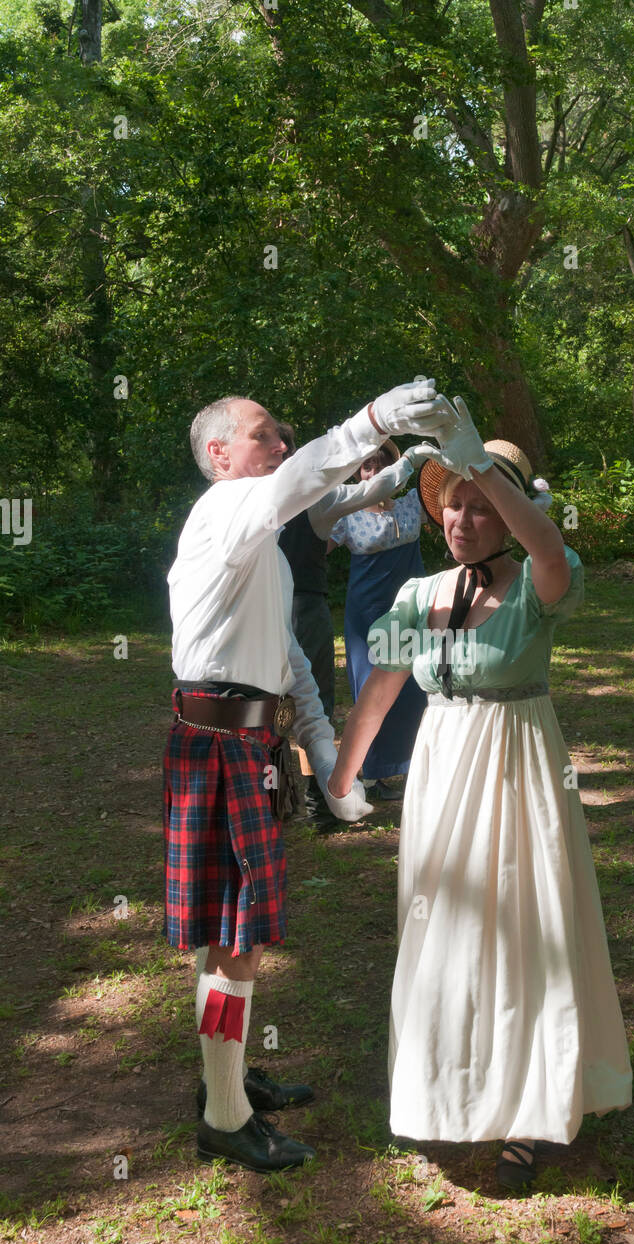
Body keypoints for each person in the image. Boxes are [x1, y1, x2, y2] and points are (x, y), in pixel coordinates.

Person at [328, 398, 632, 1191]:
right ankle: (446, 1094)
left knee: (525, 928)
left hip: (520, 767)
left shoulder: (540, 583)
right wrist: (340, 775)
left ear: (507, 510)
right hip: (442, 772)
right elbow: (381, 691)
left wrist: (484, 465)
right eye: (451, 501)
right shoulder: (416, 595)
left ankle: (529, 1113)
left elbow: (547, 542)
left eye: (479, 502)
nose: (462, 516)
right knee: (445, 935)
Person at [164, 381, 450, 1174]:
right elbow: (303, 480)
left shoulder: (263, 549)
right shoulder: (226, 510)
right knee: (237, 939)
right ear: (220, 455)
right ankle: (224, 1115)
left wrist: (326, 757)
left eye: (281, 435)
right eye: (264, 435)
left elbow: (290, 660)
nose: (279, 446)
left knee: (226, 935)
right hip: (219, 742)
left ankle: (225, 1081)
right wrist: (374, 423)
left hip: (245, 745)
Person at [278, 428, 417, 828]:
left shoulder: (320, 501)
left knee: (309, 700)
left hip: (315, 603)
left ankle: (312, 801)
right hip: (308, 607)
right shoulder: (321, 504)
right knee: (284, 699)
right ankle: (298, 798)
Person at [327, 440, 429, 799]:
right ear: (358, 472)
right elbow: (307, 550)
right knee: (372, 689)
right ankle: (370, 775)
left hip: (411, 611)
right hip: (367, 615)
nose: (373, 474)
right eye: (367, 467)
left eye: (382, 466)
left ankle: (417, 765)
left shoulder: (415, 504)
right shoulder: (345, 515)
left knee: (416, 687)